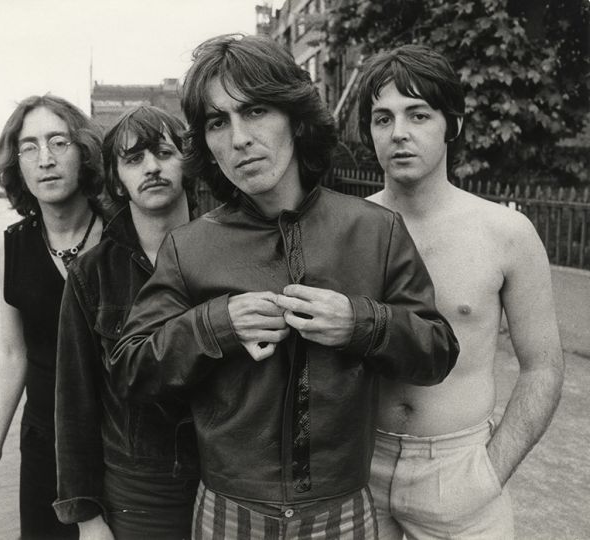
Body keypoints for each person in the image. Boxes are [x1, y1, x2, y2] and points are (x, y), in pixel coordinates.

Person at [109, 34, 460, 539]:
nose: (238, 139)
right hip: (229, 509)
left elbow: (437, 352)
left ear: (296, 118)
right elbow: (130, 371)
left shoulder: (374, 230)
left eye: (255, 112)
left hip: (341, 509)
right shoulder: (190, 247)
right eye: (217, 122)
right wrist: (215, 325)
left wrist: (360, 324)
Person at [360, 45, 565, 539]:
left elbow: (544, 367)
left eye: (418, 115)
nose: (399, 133)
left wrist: (490, 472)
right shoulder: (349, 228)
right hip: (360, 469)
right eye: (382, 118)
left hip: (459, 470)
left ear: (453, 124)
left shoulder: (505, 232)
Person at [53, 106, 200, 540]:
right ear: (117, 179)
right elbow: (74, 402)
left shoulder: (228, 250)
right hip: (138, 495)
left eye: (163, 152)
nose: (151, 167)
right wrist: (88, 518)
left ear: (187, 163)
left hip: (228, 485)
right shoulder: (92, 274)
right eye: (133, 159)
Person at [0, 94, 105, 539]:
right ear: (17, 166)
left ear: (83, 152)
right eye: (29, 147)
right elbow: (12, 354)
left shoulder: (123, 236)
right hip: (46, 446)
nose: (45, 159)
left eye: (58, 142)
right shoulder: (10, 248)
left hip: (120, 444)